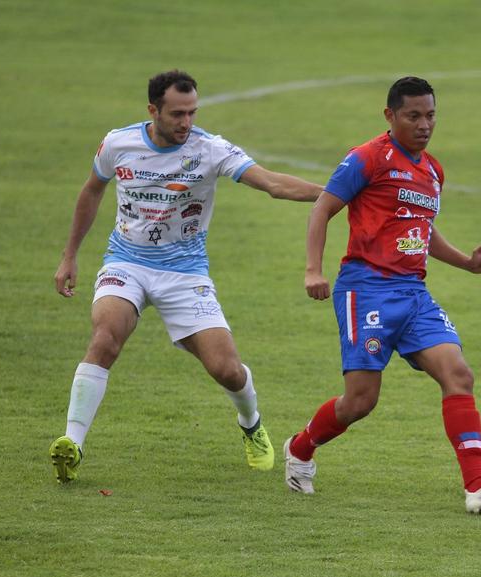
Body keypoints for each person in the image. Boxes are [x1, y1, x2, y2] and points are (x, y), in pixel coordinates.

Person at [49, 70, 323, 484]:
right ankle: (72, 444)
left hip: (184, 274)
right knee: (105, 338)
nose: (186, 123)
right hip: (126, 263)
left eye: (192, 112)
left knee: (226, 369)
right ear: (152, 110)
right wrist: (69, 256)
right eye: (177, 114)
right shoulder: (117, 143)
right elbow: (92, 190)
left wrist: (337, 191)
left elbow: (271, 183)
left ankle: (251, 423)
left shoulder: (209, 150)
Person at [283, 76, 481, 514]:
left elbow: (422, 231)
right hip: (366, 290)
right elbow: (323, 207)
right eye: (413, 116)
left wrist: (467, 262)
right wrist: (312, 270)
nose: (424, 124)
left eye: (431, 115)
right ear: (390, 116)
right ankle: (301, 449)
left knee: (458, 374)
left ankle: (478, 485)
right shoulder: (367, 158)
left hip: (412, 292)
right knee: (360, 401)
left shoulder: (433, 170)